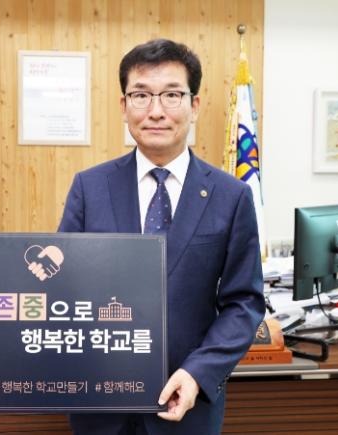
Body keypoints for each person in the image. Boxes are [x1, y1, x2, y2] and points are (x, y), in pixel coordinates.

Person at [58, 38, 265, 435]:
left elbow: (244, 303)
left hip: (186, 408)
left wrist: (198, 372)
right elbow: (60, 290)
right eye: (141, 95)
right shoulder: (90, 187)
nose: (155, 111)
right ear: (124, 106)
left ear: (194, 105)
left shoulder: (231, 196)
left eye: (172, 95)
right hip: (101, 405)